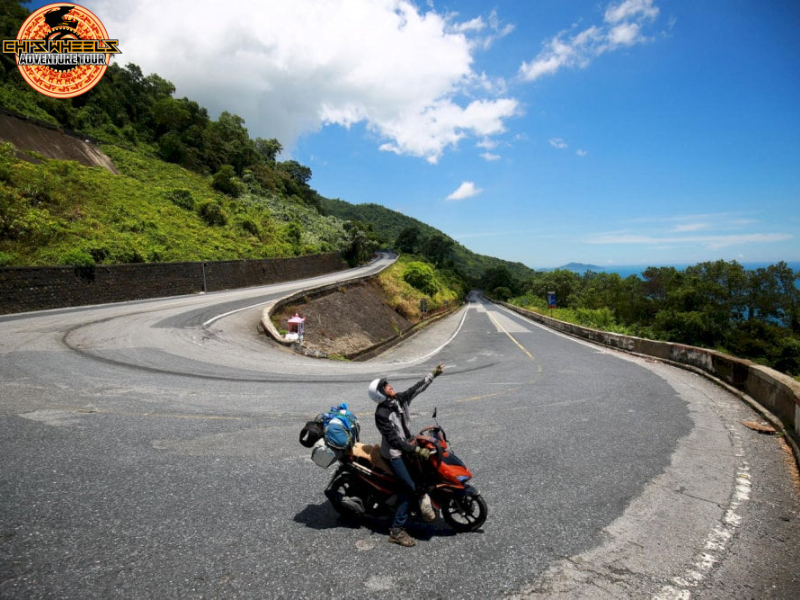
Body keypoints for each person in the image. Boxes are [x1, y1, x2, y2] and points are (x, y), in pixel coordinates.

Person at [369, 363, 445, 547]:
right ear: (381, 393)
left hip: (408, 445)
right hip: (395, 454)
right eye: (386, 386)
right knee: (409, 489)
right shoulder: (382, 414)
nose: (390, 386)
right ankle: (396, 530)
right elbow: (394, 441)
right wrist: (416, 450)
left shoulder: (398, 400)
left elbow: (415, 389)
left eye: (388, 384)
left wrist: (433, 374)